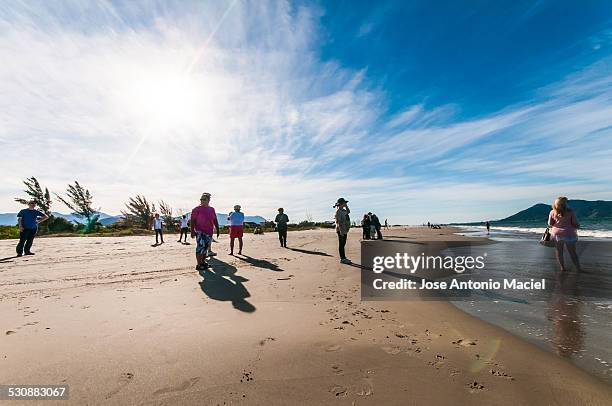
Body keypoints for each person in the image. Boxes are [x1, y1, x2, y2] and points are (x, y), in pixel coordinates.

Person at [548, 197, 581, 272]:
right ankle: (578, 268)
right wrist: (578, 226)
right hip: (569, 234)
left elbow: (550, 223)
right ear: (565, 204)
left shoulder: (552, 212)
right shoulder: (570, 212)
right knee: (572, 252)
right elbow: (575, 223)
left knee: (559, 252)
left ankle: (562, 268)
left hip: (557, 234)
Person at [191, 193, 220, 271]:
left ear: (208, 200)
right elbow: (192, 221)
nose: (202, 201)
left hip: (209, 231)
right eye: (201, 199)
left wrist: (217, 229)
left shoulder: (212, 209)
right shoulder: (196, 209)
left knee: (206, 248)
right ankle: (199, 264)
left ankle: (203, 262)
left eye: (204, 199)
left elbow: (215, 219)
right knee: (200, 248)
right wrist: (192, 231)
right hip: (200, 231)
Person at [334, 198, 351, 264]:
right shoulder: (338, 211)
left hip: (344, 228)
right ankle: (342, 259)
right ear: (341, 204)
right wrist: (341, 231)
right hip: (340, 229)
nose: (345, 204)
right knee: (341, 244)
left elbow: (348, 212)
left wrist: (346, 206)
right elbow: (338, 222)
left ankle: (344, 257)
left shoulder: (343, 210)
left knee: (343, 243)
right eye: (344, 203)